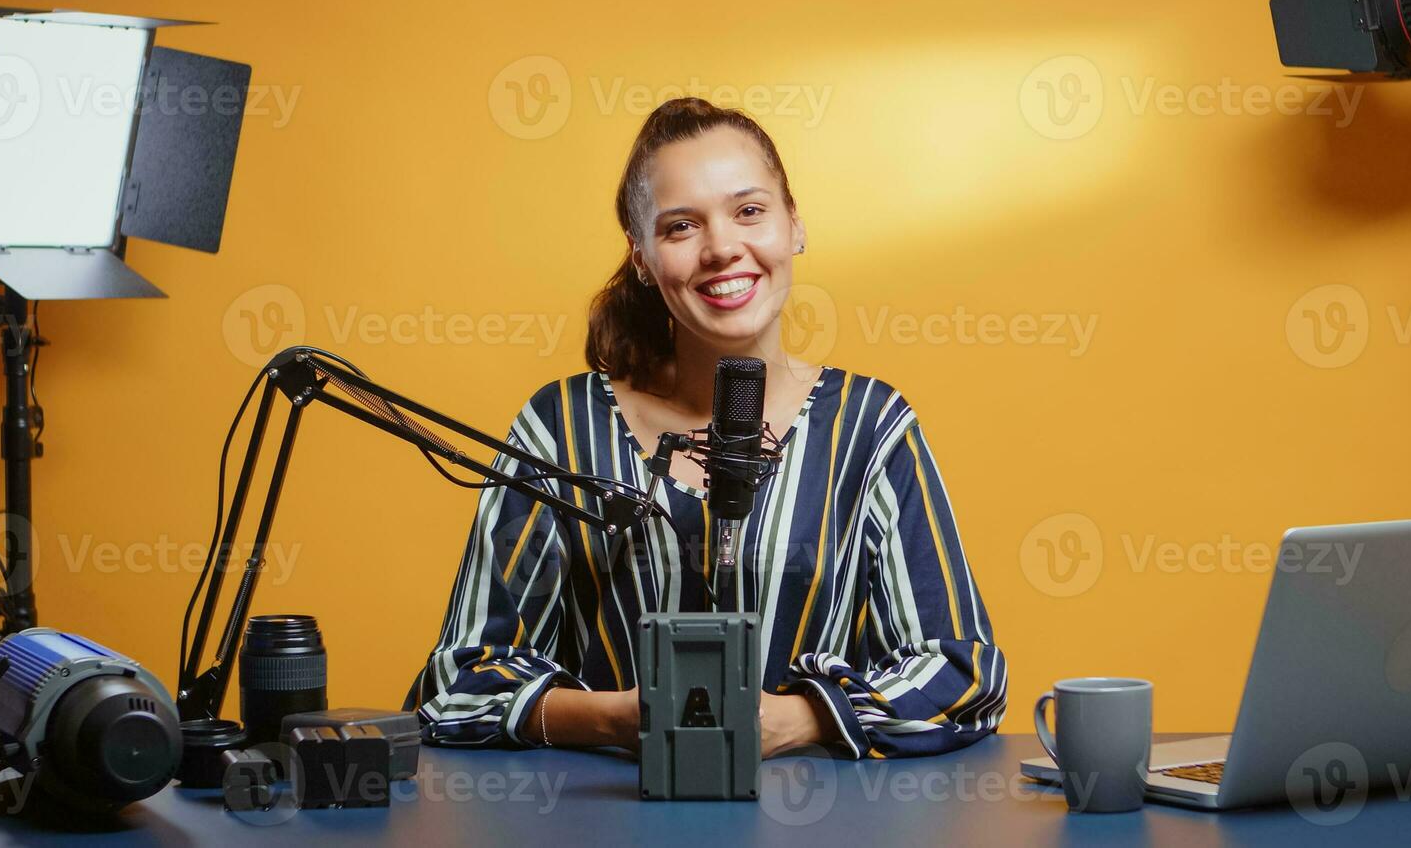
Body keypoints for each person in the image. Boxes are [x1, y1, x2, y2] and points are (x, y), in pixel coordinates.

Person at [416, 97, 1005, 759]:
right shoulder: (560, 429)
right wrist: (616, 719)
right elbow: (456, 683)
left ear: (795, 226)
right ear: (640, 257)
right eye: (680, 227)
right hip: (603, 821)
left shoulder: (869, 429)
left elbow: (963, 674)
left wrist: (799, 719)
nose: (723, 247)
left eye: (749, 211)